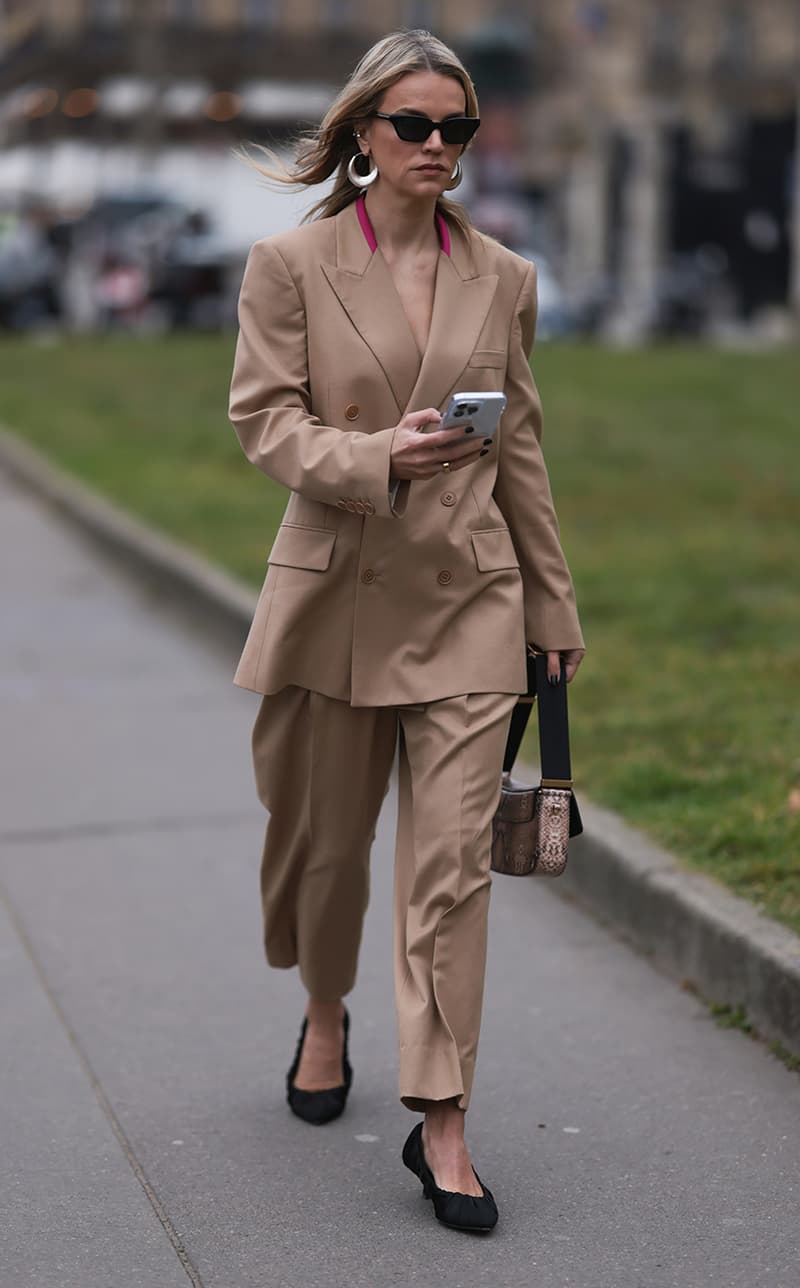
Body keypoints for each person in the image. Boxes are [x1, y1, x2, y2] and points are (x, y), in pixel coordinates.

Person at [228, 29, 584, 1233]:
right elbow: (264, 421)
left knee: (446, 878)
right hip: (335, 593)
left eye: (458, 130)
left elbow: (520, 447)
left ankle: (442, 1125)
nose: (439, 149)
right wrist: (378, 455)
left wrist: (550, 602)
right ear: (362, 136)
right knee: (326, 854)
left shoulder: (506, 276)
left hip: (468, 598)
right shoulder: (288, 264)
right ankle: (324, 1013)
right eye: (415, 127)